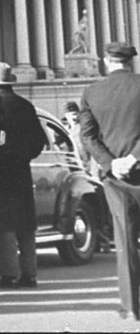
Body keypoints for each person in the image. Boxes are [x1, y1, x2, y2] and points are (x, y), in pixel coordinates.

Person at [80, 41, 140, 321]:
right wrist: (134, 157)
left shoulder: (92, 92)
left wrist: (111, 162)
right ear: (130, 62)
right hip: (136, 167)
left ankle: (132, 306)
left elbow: (88, 136)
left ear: (106, 62)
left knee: (125, 239)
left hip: (114, 177)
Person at [0, 61, 46, 288]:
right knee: (25, 225)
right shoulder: (25, 105)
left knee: (4, 224)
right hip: (21, 171)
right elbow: (40, 141)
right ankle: (30, 274)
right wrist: (25, 155)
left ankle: (9, 274)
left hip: (0, 171)